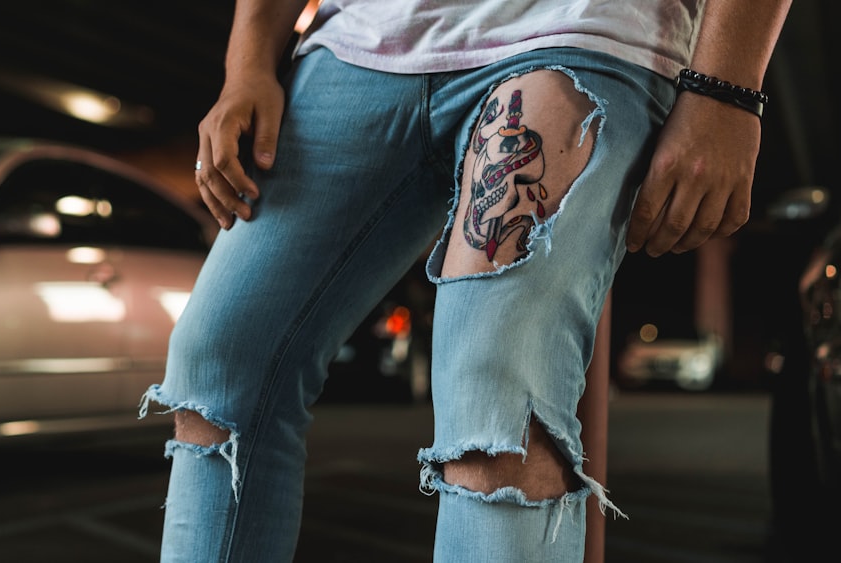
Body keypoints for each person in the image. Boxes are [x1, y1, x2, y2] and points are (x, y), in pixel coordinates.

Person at [138, 0, 792, 560]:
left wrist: (727, 89)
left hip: (579, 31)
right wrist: (249, 60)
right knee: (217, 366)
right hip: (360, 40)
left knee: (495, 401)